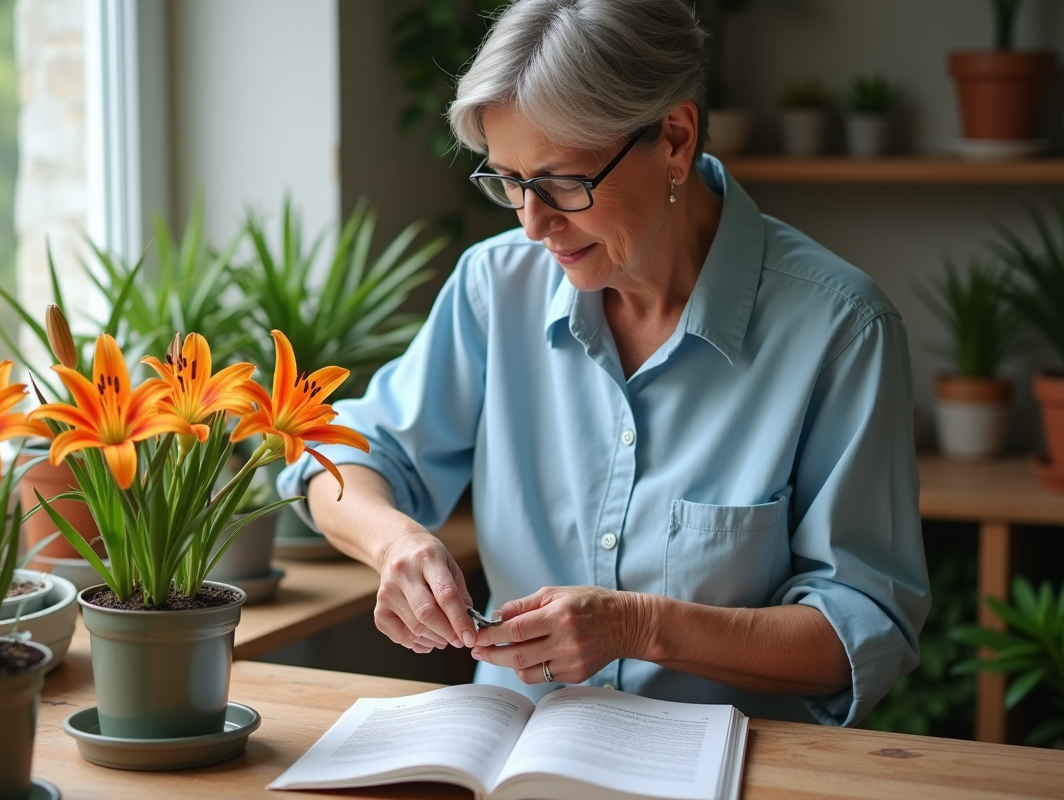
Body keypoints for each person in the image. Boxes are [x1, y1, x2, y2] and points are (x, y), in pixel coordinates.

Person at [281, 0, 929, 726]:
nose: (533, 223)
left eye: (562, 183)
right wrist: (395, 542)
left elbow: (859, 632)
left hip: (733, 769)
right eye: (509, 182)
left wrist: (640, 626)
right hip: (513, 759)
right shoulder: (495, 288)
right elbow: (335, 461)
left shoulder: (842, 329)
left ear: (675, 140)